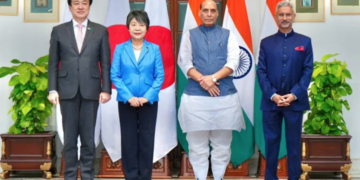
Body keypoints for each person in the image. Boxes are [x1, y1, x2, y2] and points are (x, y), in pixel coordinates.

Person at [177, 1, 245, 180]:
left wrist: (213, 78)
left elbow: (233, 63)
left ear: (217, 14)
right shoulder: (190, 35)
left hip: (225, 99)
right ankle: (200, 177)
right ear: (199, 13)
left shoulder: (228, 34)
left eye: (212, 11)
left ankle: (218, 177)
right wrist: (203, 80)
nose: (209, 14)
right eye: (205, 10)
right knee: (197, 146)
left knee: (222, 145)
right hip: (195, 99)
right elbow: (184, 62)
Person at [47, 0, 111, 179]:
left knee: (88, 139)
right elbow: (52, 64)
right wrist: (52, 89)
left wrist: (106, 89)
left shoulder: (100, 31)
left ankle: (88, 175)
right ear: (70, 7)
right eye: (76, 3)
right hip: (66, 91)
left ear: (89, 6)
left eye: (84, 3)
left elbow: (105, 63)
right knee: (69, 140)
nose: (80, 7)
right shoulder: (59, 31)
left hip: (91, 91)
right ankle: (69, 175)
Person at [257, 1, 313, 180]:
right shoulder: (266, 43)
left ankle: (294, 178)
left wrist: (294, 94)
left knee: (294, 146)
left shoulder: (305, 41)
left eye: (288, 15)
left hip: (294, 103)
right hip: (270, 103)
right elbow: (261, 72)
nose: (285, 18)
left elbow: (307, 71)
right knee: (271, 145)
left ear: (294, 16)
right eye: (281, 15)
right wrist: (272, 95)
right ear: (276, 17)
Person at [110, 10, 165, 180]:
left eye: (141, 24)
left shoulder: (154, 49)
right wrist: (129, 97)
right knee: (129, 141)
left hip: (149, 102)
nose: (137, 28)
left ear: (147, 28)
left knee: (146, 141)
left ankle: (145, 176)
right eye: (134, 24)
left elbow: (160, 76)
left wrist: (147, 97)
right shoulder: (120, 48)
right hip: (126, 102)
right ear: (128, 28)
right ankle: (131, 176)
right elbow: (115, 75)